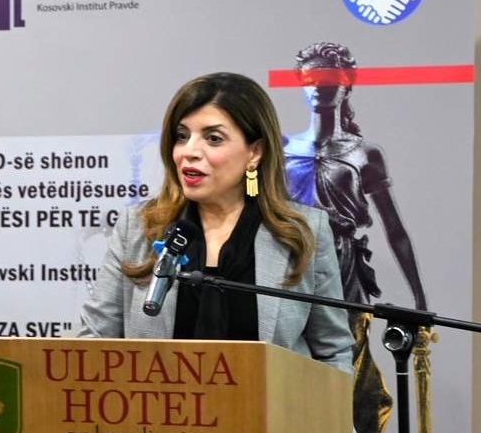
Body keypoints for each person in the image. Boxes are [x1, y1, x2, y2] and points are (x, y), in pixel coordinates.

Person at [76, 71, 355, 377]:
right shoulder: (138, 228)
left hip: (273, 408)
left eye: (213, 139)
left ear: (255, 152)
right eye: (182, 136)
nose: (190, 152)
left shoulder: (302, 232)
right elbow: (92, 343)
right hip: (160, 408)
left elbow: (333, 353)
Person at [283, 41, 429, 433]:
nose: (319, 86)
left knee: (346, 361)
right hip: (290, 266)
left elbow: (395, 229)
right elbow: (255, 205)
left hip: (344, 267)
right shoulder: (280, 148)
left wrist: (419, 299)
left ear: (346, 84)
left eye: (328, 78)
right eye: (310, 78)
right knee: (289, 359)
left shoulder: (365, 153)